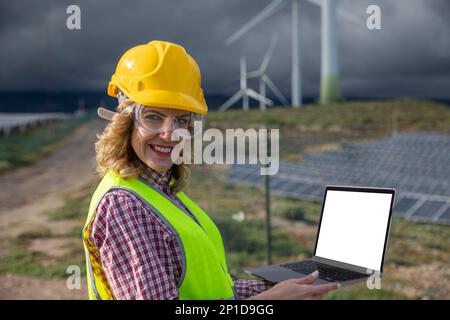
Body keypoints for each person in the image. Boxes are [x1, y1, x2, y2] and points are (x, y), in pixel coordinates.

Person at [83, 40, 339, 300]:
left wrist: (284, 287)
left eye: (181, 120)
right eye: (152, 116)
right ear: (125, 122)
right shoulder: (124, 206)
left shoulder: (160, 192)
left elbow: (213, 291)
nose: (169, 134)